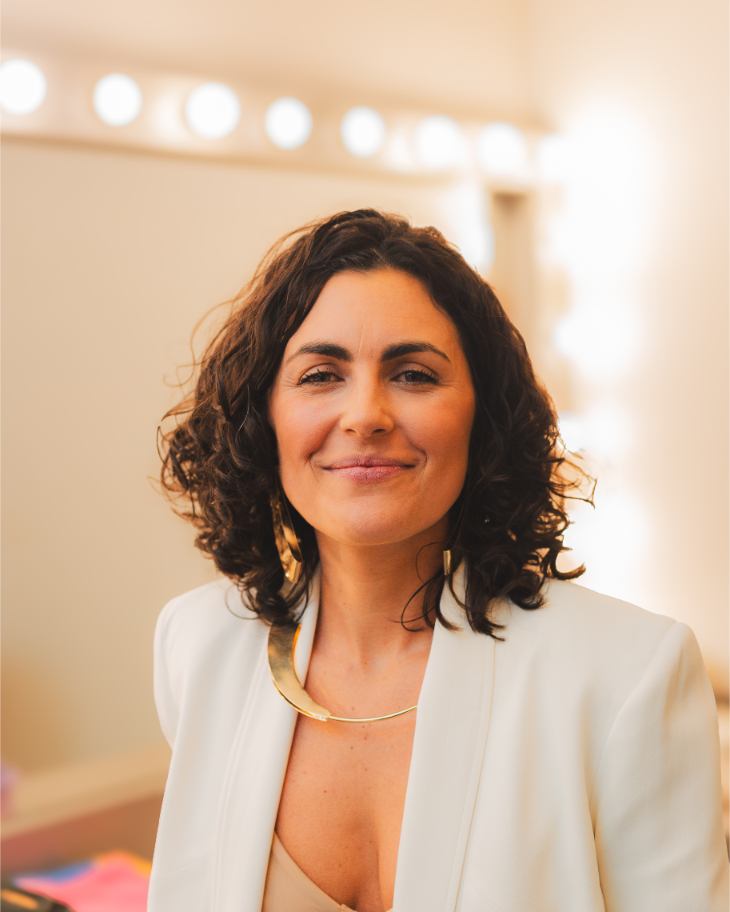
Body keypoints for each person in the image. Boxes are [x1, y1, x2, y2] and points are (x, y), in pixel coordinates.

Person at [149, 209, 728, 912]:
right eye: (321, 374)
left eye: (414, 375)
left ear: (482, 417)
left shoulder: (630, 673)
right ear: (263, 416)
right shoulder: (196, 644)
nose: (365, 414)